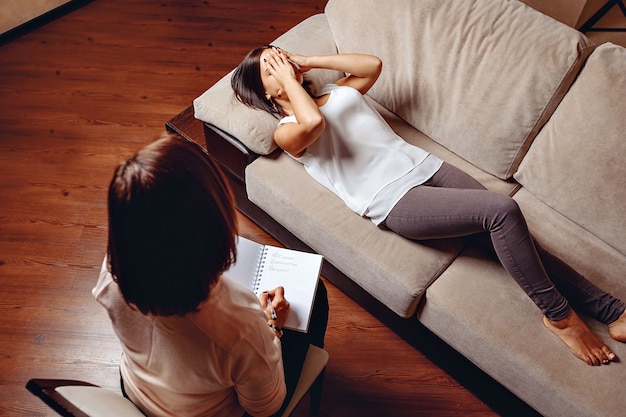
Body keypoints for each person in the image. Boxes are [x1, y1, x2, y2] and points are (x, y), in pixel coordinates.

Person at [231, 45, 626, 366]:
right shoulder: (288, 132)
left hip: (429, 168)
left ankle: (611, 310)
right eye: (270, 68)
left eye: (280, 54)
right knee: (502, 211)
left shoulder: (337, 92)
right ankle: (558, 316)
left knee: (517, 242)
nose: (281, 63)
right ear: (265, 92)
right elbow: (313, 123)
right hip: (395, 200)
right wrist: (286, 79)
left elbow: (372, 65)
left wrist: (307, 62)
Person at [94, 133, 328, 417]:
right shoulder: (240, 321)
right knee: (317, 295)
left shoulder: (113, 269)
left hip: (136, 392)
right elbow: (264, 408)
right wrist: (271, 325)